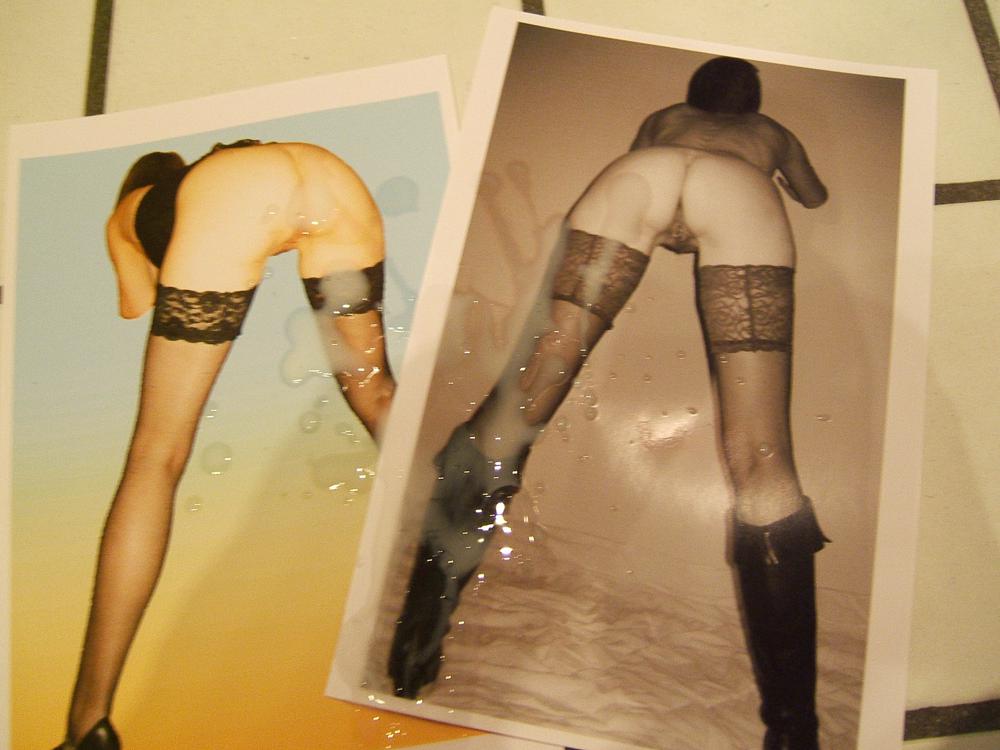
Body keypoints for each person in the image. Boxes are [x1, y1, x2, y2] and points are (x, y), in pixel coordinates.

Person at [389, 57, 829, 750]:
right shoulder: (770, 132)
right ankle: (794, 730)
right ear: (752, 105)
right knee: (760, 453)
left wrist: (671, 205)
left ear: (694, 98)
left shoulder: (663, 121)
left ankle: (413, 651)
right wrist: (776, 167)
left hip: (636, 178)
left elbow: (646, 164)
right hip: (741, 191)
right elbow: (814, 195)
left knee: (521, 402)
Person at [55, 140, 392, 750]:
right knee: (379, 397)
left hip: (239, 197)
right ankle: (460, 556)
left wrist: (151, 249)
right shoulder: (205, 176)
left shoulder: (128, 212)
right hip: (329, 175)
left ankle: (87, 723)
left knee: (155, 458)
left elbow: (138, 304)